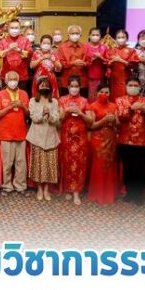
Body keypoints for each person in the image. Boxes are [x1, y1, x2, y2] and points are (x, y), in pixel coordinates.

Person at [115, 77, 145, 205]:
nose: (133, 87)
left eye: (135, 85)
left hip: (143, 142)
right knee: (127, 168)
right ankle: (129, 193)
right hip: (125, 140)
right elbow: (121, 116)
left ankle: (139, 195)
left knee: (140, 169)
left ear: (139, 87)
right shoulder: (120, 100)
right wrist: (130, 108)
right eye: (131, 85)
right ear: (126, 86)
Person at [0, 71, 29, 195]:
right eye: (10, 79)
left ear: (18, 81)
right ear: (6, 81)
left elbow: (28, 114)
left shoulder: (23, 94)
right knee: (7, 163)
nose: (13, 81)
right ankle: (7, 186)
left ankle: (20, 186)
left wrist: (22, 106)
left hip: (21, 132)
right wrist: (8, 107)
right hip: (6, 133)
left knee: (21, 163)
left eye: (15, 79)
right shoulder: (0, 95)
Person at [58, 75, 91, 205]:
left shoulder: (84, 101)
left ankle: (76, 191)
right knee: (67, 162)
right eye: (72, 86)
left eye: (76, 86)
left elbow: (90, 121)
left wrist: (81, 113)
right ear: (68, 87)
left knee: (79, 163)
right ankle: (68, 189)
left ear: (80, 87)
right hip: (66, 136)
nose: (74, 88)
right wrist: (66, 110)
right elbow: (60, 119)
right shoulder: (62, 100)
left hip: (80, 138)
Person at [26, 77, 60, 201]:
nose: (44, 87)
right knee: (38, 165)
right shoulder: (32, 101)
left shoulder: (54, 102)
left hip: (51, 138)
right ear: (38, 87)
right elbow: (34, 118)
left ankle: (46, 189)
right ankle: (39, 188)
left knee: (50, 165)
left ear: (50, 88)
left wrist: (49, 114)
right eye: (42, 85)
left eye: (46, 85)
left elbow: (56, 119)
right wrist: (42, 113)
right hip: (37, 138)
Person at [86, 83, 119, 205]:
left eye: (107, 92)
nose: (104, 94)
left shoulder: (114, 106)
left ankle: (109, 194)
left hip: (111, 139)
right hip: (98, 140)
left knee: (109, 165)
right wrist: (104, 120)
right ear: (97, 93)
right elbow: (91, 125)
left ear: (110, 94)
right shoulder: (91, 106)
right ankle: (97, 194)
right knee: (99, 165)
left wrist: (114, 121)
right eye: (102, 92)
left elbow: (118, 126)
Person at [0, 19, 32, 91]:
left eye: (16, 28)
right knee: (6, 96)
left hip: (22, 75)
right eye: (12, 28)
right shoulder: (3, 41)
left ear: (20, 29)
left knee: (21, 96)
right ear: (8, 29)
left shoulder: (25, 40)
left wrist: (19, 50)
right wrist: (8, 49)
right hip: (7, 75)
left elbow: (30, 54)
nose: (14, 30)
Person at [55, 25, 88, 97]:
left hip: (82, 81)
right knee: (65, 101)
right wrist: (72, 63)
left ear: (80, 35)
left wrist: (85, 64)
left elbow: (89, 62)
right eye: (72, 33)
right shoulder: (62, 47)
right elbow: (60, 64)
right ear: (68, 35)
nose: (75, 35)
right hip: (66, 81)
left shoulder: (85, 47)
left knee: (82, 101)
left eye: (77, 33)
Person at [107, 29, 139, 100]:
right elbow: (107, 65)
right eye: (118, 37)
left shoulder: (131, 50)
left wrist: (120, 60)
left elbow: (134, 66)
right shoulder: (111, 50)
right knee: (113, 96)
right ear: (115, 39)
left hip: (126, 77)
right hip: (114, 78)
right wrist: (110, 62)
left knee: (125, 97)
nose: (121, 39)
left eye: (123, 37)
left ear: (127, 39)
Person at [85, 27, 107, 102]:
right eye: (93, 35)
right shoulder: (85, 46)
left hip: (101, 77)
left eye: (97, 35)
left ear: (100, 36)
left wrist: (101, 57)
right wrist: (92, 59)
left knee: (100, 97)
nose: (95, 36)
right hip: (87, 76)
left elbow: (107, 62)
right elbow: (83, 60)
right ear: (89, 36)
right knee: (89, 97)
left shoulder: (104, 47)